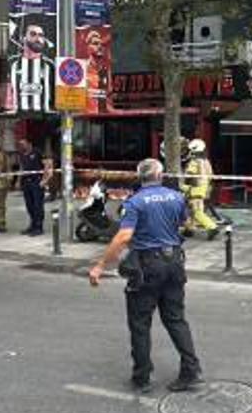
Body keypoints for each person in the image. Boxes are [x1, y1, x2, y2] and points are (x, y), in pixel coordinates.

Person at [88, 158, 203, 392]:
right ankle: (191, 370)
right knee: (176, 319)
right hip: (174, 263)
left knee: (140, 322)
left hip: (147, 265)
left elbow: (123, 236)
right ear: (160, 175)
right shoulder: (176, 197)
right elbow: (186, 224)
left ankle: (142, 377)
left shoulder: (135, 202)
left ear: (139, 177)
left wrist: (100, 265)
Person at [181, 138, 219, 240]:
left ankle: (212, 227)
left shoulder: (194, 162)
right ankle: (189, 229)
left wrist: (184, 185)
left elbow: (190, 175)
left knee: (196, 211)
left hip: (195, 189)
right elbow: (211, 175)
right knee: (190, 210)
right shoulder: (206, 161)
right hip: (204, 188)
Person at [16, 138, 47, 236]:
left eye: (23, 144)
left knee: (38, 205)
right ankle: (32, 225)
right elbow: (21, 168)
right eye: (20, 144)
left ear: (29, 144)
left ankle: (38, 227)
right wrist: (18, 181)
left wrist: (44, 180)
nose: (21, 146)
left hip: (37, 181)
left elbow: (47, 166)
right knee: (29, 205)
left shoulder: (37, 153)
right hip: (26, 182)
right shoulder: (21, 154)